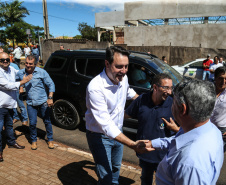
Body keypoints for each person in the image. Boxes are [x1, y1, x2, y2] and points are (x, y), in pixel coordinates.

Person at [85, 46, 148, 185]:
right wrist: (132, 144)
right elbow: (106, 125)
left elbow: (128, 91)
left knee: (115, 170)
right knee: (106, 177)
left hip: (118, 132)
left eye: (126, 66)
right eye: (119, 66)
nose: (124, 71)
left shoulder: (122, 77)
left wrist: (144, 102)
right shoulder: (95, 87)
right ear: (107, 63)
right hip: (99, 135)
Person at [145, 79, 224, 184]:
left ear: (182, 109)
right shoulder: (210, 129)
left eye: (173, 102)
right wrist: (153, 143)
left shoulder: (189, 164)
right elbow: (179, 140)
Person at [125, 73, 176, 185]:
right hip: (145, 152)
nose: (169, 92)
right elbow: (126, 115)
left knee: (163, 181)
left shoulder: (173, 104)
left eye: (171, 88)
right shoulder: (141, 100)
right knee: (145, 178)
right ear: (155, 87)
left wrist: (175, 128)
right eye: (166, 88)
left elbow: (185, 129)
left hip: (164, 156)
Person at [16, 55, 55, 150]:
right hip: (30, 103)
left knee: (47, 121)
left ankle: (50, 139)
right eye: (26, 63)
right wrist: (20, 86)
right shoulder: (20, 73)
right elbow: (15, 81)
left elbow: (51, 84)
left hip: (43, 102)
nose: (28, 65)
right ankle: (34, 141)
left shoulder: (41, 72)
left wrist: (50, 97)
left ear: (35, 64)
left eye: (30, 64)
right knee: (32, 123)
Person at [0, 52, 32, 162]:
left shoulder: (11, 69)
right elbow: (7, 85)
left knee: (9, 126)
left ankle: (11, 142)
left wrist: (29, 67)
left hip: (10, 105)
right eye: (2, 60)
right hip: (0, 106)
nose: (5, 62)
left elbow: (19, 72)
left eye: (7, 60)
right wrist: (23, 82)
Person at [210, 66, 226, 152]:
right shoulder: (207, 91)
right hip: (206, 128)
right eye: (221, 78)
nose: (223, 81)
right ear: (215, 78)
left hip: (221, 131)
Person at [9, 61, 28, 126]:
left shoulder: (14, 66)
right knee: (12, 105)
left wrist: (21, 87)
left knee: (20, 104)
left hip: (16, 87)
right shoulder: (2, 66)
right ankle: (16, 117)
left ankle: (25, 119)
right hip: (9, 88)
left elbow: (21, 77)